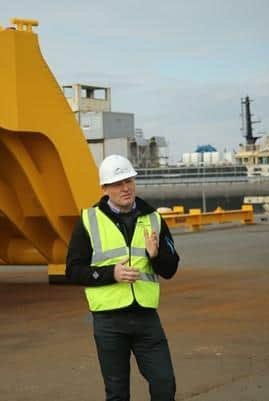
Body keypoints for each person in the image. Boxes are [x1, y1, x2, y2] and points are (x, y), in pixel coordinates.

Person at [66, 154, 180, 401]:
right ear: (105, 188)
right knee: (117, 393)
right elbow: (73, 270)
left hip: (146, 319)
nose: (125, 188)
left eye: (128, 180)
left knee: (164, 385)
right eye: (117, 183)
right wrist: (111, 274)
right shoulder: (88, 220)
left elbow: (170, 269)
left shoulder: (154, 219)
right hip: (108, 321)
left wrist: (156, 255)